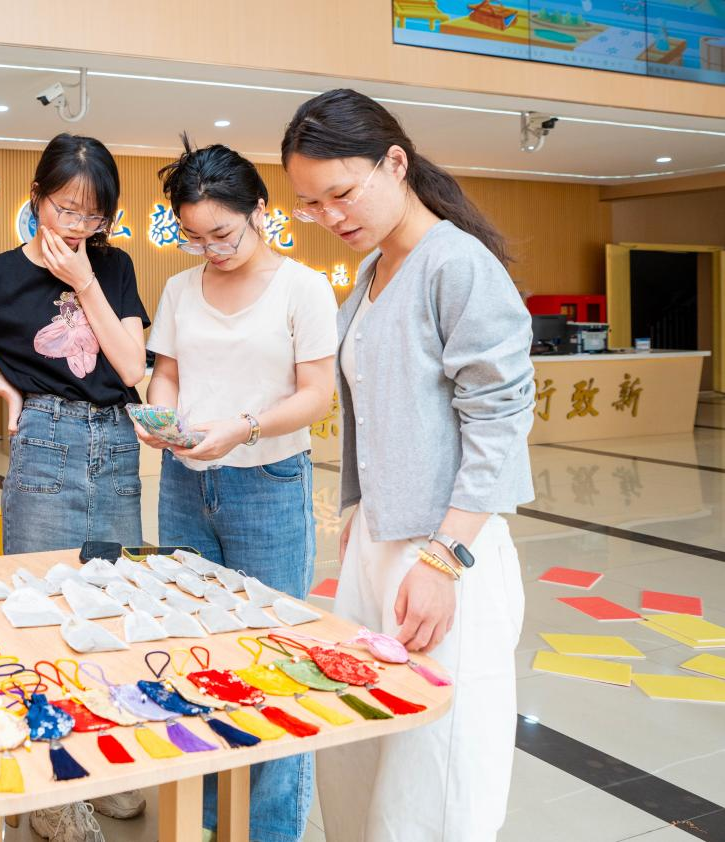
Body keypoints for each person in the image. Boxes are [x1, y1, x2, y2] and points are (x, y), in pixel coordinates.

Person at [281, 88, 533, 842]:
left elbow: (499, 418)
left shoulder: (456, 264)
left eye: (341, 193)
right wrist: (360, 519)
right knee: (362, 740)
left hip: (444, 550)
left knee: (435, 771)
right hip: (380, 539)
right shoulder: (371, 271)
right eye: (310, 204)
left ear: (395, 163)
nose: (330, 216)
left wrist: (445, 557)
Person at [0, 132, 149, 841]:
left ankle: (97, 759)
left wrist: (85, 281)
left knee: (110, 605)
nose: (78, 227)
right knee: (40, 609)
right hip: (46, 438)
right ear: (37, 199)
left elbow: (132, 367)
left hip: (116, 441)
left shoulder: (113, 267)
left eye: (93, 214)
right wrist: (2, 387)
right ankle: (51, 782)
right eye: (65, 209)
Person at [137, 137, 337, 842]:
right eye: (193, 237)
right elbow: (167, 373)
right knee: (195, 649)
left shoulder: (302, 288)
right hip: (184, 482)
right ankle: (207, 819)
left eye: (222, 233)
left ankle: (272, 827)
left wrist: (244, 429)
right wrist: (161, 418)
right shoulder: (179, 289)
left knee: (272, 657)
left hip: (268, 483)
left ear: (259, 209)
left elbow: (315, 394)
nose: (210, 250)